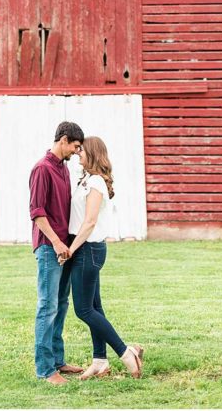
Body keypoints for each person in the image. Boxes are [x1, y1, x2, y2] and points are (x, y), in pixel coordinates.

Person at [64, 136, 144, 379]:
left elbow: (89, 222)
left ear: (93, 153)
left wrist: (71, 249)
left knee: (84, 310)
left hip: (87, 249)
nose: (78, 154)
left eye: (82, 151)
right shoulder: (87, 179)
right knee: (95, 307)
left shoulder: (97, 182)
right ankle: (100, 361)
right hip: (86, 249)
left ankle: (126, 352)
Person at [30, 121, 86, 384]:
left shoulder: (63, 169)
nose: (77, 152)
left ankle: (58, 361)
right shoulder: (41, 169)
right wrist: (55, 243)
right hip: (49, 247)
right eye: (75, 146)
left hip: (65, 248)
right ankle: (44, 369)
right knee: (47, 306)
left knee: (61, 305)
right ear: (63, 140)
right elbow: (37, 213)